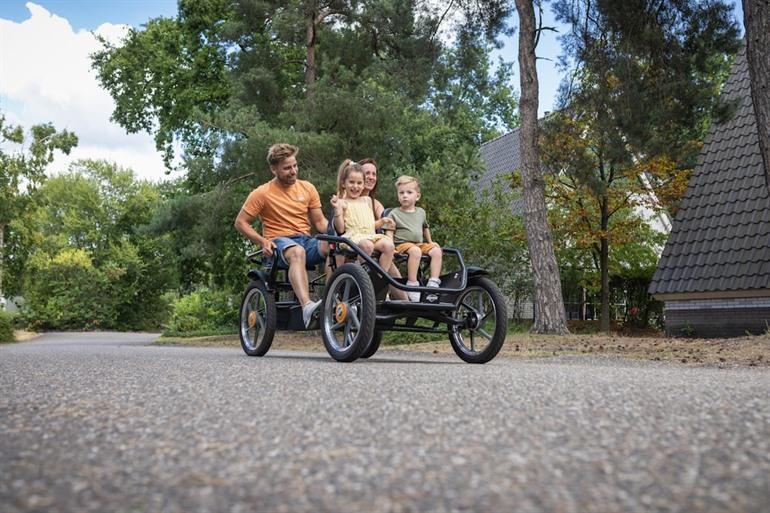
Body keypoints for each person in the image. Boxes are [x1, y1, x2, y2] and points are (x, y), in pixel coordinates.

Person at [234, 143, 328, 327]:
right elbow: (240, 222)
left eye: (295, 166)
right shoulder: (262, 193)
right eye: (287, 168)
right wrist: (262, 241)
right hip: (280, 243)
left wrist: (338, 229)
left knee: (333, 247)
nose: (293, 171)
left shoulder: (308, 188)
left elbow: (319, 223)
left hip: (306, 240)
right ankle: (307, 307)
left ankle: (334, 297)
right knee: (297, 252)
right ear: (273, 168)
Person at [385, 175, 443, 302]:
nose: (405, 195)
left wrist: (430, 242)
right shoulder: (394, 213)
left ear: (417, 196)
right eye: (401, 193)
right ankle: (412, 283)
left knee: (437, 251)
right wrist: (391, 246)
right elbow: (389, 231)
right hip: (402, 244)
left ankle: (433, 283)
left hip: (419, 244)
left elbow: (425, 227)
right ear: (398, 195)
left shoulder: (421, 212)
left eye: (409, 192)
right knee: (415, 251)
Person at [331, 160, 395, 273]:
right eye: (351, 182)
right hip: (353, 238)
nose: (355, 186)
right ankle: (361, 273)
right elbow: (340, 228)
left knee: (389, 246)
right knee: (367, 245)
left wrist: (381, 221)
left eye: (359, 183)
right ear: (343, 183)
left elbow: (369, 225)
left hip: (370, 235)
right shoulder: (342, 203)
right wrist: (337, 210)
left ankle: (380, 276)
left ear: (363, 184)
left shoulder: (367, 200)